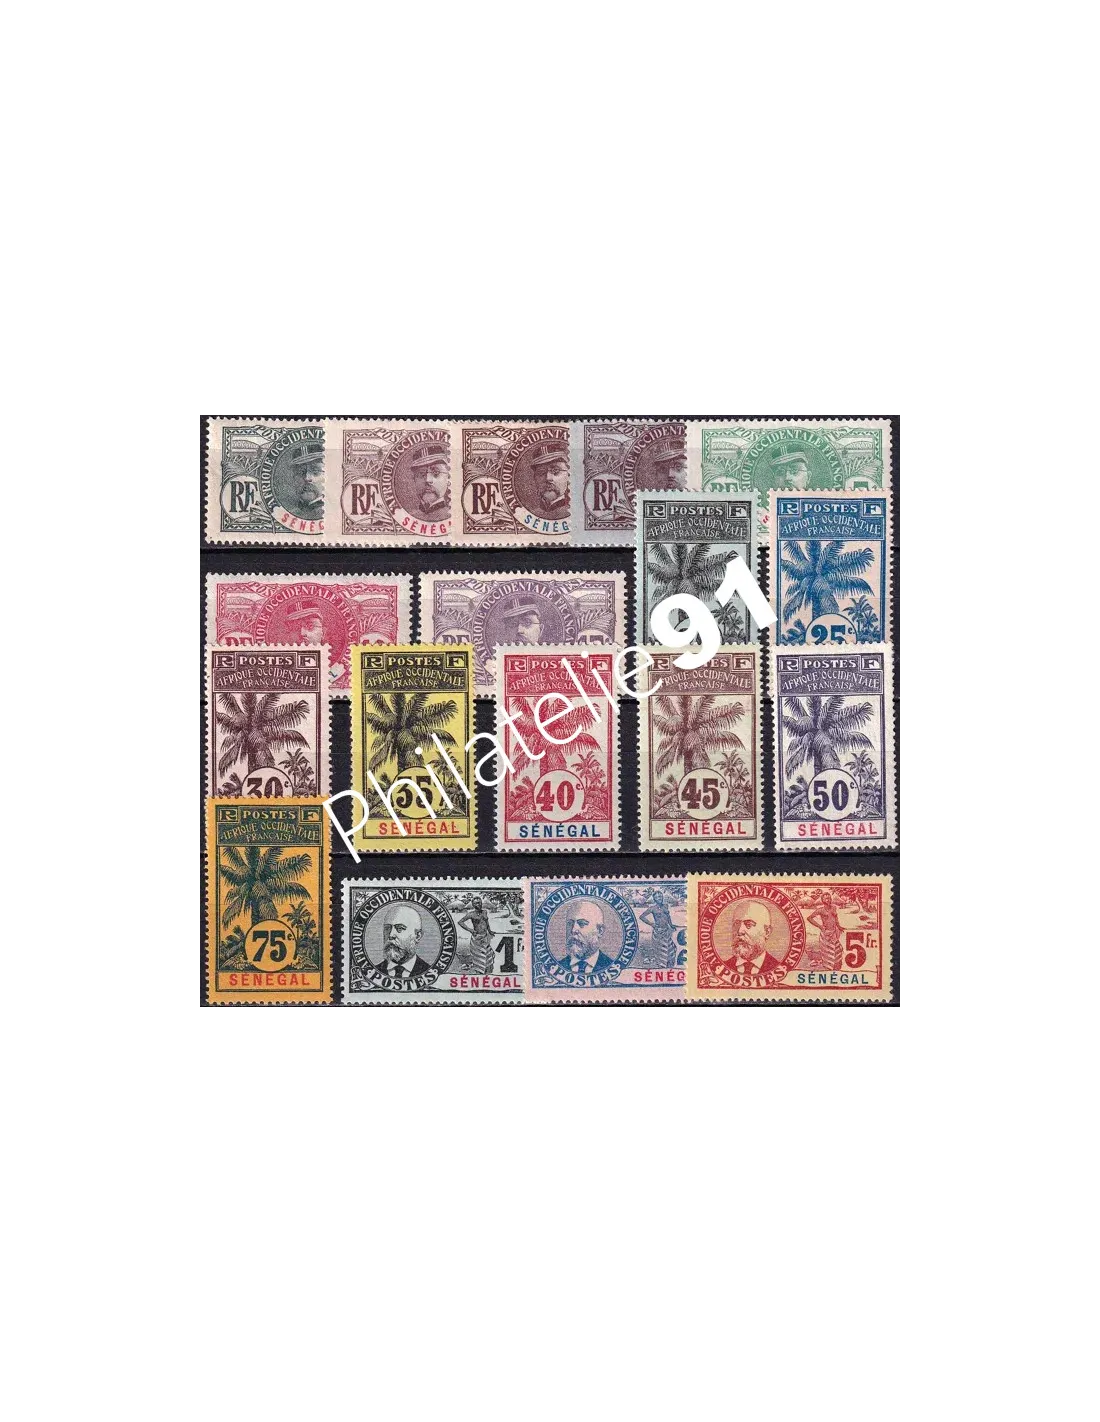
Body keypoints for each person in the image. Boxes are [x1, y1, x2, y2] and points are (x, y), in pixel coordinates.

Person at [727, 900, 784, 983]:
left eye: (748, 925)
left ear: (767, 932)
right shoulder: (721, 969)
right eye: (736, 924)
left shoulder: (780, 969)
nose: (740, 931)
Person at [561, 899, 615, 976]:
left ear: (600, 931)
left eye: (582, 924)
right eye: (570, 923)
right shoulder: (554, 968)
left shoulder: (613, 968)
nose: (573, 930)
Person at [380, 903, 433, 981]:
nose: (391, 935)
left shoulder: (432, 973)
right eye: (387, 928)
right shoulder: (371, 972)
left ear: (417, 936)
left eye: (400, 928)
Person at [277, 440, 325, 520]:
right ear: (293, 478)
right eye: (300, 472)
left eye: (315, 472)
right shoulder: (287, 515)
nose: (307, 478)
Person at [408, 444, 449, 516]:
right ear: (414, 479)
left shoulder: (452, 515)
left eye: (436, 472)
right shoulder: (412, 515)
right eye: (422, 474)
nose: (428, 480)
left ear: (448, 478)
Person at [530, 444, 569, 514]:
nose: (548, 478)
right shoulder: (534, 513)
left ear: (568, 475)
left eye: (555, 471)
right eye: (541, 473)